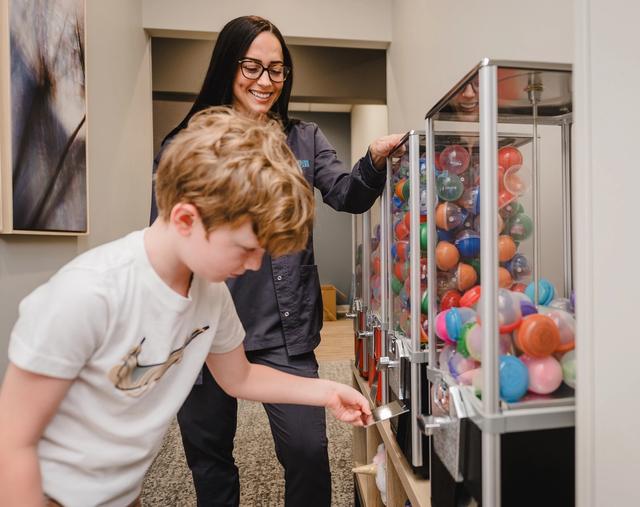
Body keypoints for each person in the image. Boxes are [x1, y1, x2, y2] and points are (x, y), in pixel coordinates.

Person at [0, 106, 373, 507]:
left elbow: (239, 378)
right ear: (184, 219)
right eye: (246, 249)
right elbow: (12, 444)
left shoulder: (210, 295)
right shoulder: (88, 293)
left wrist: (328, 391)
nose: (252, 266)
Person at [149, 15, 402, 507]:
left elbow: (347, 195)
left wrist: (372, 159)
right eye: (252, 67)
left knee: (308, 450)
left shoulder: (302, 139)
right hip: (202, 329)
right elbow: (167, 240)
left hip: (282, 329)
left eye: (277, 70)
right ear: (228, 66)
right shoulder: (186, 143)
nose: (265, 82)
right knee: (209, 457)